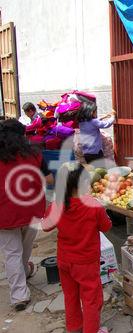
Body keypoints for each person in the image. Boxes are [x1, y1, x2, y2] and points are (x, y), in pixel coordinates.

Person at [42, 163, 111, 333]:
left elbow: (45, 226)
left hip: (65, 261)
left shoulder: (58, 204)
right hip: (86, 263)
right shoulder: (92, 204)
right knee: (90, 300)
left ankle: (74, 327)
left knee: (70, 297)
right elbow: (106, 226)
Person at [0, 119, 54, 311]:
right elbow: (49, 179)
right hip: (31, 209)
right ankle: (24, 272)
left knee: (12, 253)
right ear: (22, 135)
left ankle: (19, 296)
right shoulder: (34, 153)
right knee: (24, 247)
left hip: (4, 213)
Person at [76, 95, 116, 164]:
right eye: (96, 111)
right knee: (100, 170)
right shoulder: (94, 122)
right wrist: (113, 117)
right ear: (91, 112)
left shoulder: (82, 122)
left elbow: (93, 122)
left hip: (86, 153)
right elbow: (106, 124)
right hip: (96, 152)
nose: (96, 113)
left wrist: (105, 116)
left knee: (93, 171)